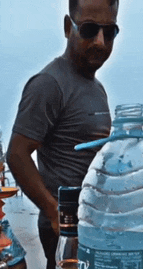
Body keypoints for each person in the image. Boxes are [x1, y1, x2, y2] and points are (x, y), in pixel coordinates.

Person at [6, 0, 120, 268]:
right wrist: (52, 209)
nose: (101, 42)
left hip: (94, 221)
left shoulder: (97, 88)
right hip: (64, 227)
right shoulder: (49, 83)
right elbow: (17, 154)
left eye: (110, 31)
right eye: (90, 29)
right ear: (69, 27)